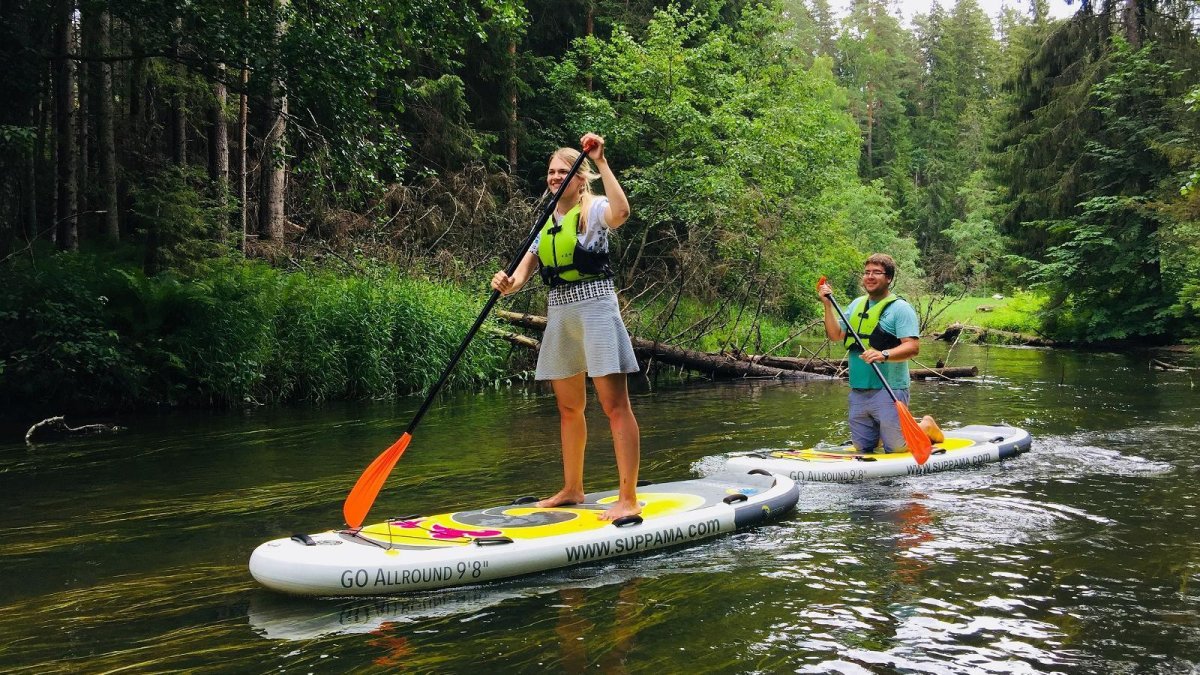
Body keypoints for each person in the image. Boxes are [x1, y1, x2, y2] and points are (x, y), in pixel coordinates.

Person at [491, 132, 642, 520]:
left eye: (565, 171)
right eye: (551, 172)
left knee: (614, 405)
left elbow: (622, 213)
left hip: (595, 308)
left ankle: (628, 498)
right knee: (568, 407)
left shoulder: (593, 210)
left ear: (581, 178)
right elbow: (521, 275)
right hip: (561, 313)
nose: (556, 176)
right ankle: (573, 489)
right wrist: (504, 283)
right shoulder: (545, 222)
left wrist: (602, 161)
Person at [818, 253, 943, 453]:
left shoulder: (900, 309)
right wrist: (827, 305)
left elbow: (912, 347)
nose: (870, 276)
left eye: (877, 272)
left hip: (890, 389)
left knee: (896, 447)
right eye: (867, 272)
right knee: (863, 447)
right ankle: (881, 435)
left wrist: (883, 354)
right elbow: (835, 335)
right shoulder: (856, 304)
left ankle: (926, 426)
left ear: (889, 278)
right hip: (858, 388)